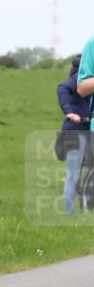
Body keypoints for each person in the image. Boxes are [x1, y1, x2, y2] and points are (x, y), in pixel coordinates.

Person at [59, 53, 93, 214]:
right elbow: (62, 88)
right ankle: (68, 214)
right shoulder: (76, 78)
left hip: (87, 131)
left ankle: (85, 203)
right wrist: (70, 112)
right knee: (73, 174)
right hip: (74, 132)